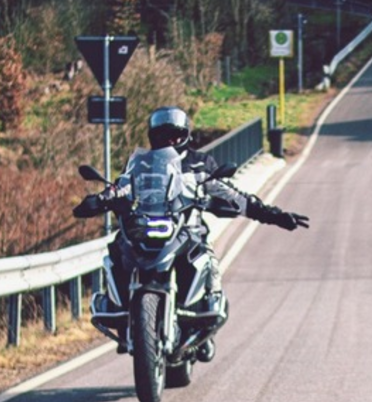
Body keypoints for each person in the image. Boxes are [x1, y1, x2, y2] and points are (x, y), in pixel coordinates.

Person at [75, 106, 309, 361]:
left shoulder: (200, 163)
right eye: (164, 136)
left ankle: (208, 314)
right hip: (145, 226)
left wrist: (275, 215)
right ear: (153, 137)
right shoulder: (141, 165)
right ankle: (118, 310)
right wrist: (99, 200)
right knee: (116, 250)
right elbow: (121, 187)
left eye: (175, 135)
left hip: (186, 229)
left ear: (186, 135)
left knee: (207, 258)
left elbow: (233, 195)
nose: (170, 141)